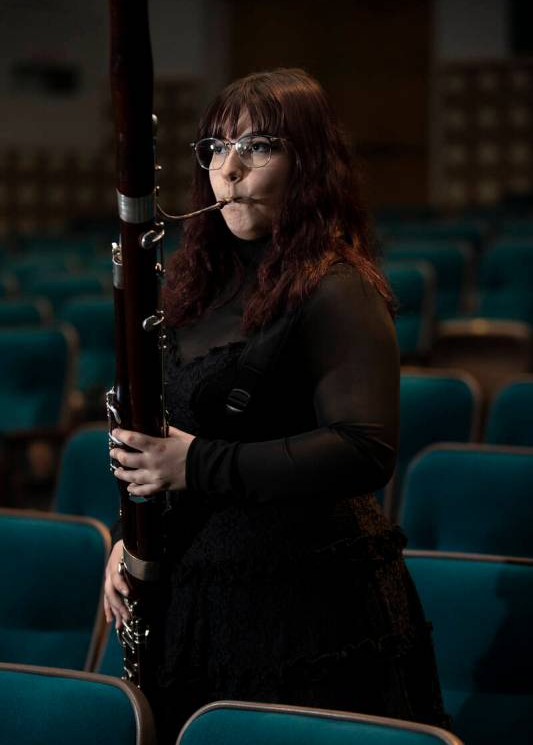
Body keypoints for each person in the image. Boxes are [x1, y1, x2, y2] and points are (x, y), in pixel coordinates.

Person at [104, 68, 450, 743]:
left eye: (258, 147)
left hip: (307, 598)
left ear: (309, 164)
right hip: (198, 590)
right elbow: (159, 451)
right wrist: (132, 541)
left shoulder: (337, 287)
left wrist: (196, 464)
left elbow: (363, 447)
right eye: (214, 149)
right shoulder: (191, 290)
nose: (229, 170)